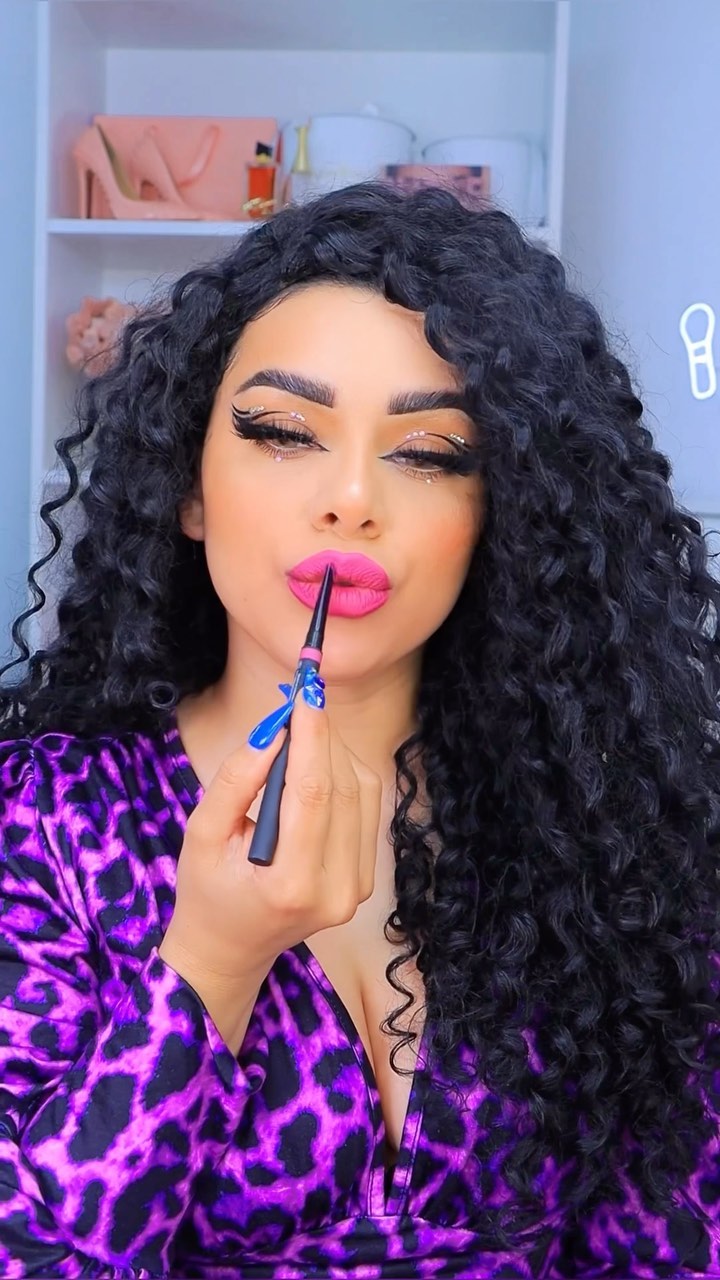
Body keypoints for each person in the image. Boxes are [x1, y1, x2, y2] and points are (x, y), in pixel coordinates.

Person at [0, 181, 719, 1280]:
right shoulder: (43, 820)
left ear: (501, 515)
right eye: (285, 432)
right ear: (188, 488)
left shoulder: (609, 833)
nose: (351, 498)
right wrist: (211, 962)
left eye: (429, 453)